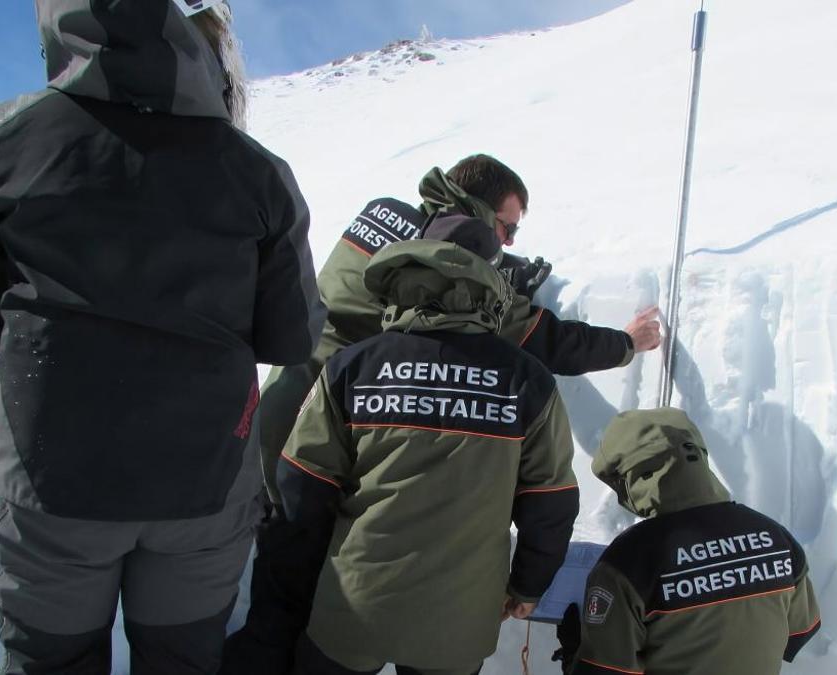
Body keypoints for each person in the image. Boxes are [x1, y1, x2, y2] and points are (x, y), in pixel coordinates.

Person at [0, 2, 325, 672]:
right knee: (181, 657)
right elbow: (290, 335)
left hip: (53, 479)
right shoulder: (256, 171)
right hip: (203, 483)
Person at [223, 154, 660, 672]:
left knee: (285, 572)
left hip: (290, 403)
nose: (510, 241)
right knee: (299, 585)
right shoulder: (446, 267)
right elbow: (541, 339)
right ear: (477, 211)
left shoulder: (383, 213)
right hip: (334, 416)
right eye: (506, 226)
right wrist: (625, 344)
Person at [279, 228, 579, 673]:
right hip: (459, 620)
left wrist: (304, 579)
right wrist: (528, 587)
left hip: (352, 602)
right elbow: (550, 502)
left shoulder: (354, 365)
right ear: (488, 293)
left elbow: (303, 484)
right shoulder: (527, 380)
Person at [554, 408, 822, 674]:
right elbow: (800, 631)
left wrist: (576, 650)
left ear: (631, 478)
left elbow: (604, 671)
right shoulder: (777, 538)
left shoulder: (626, 562)